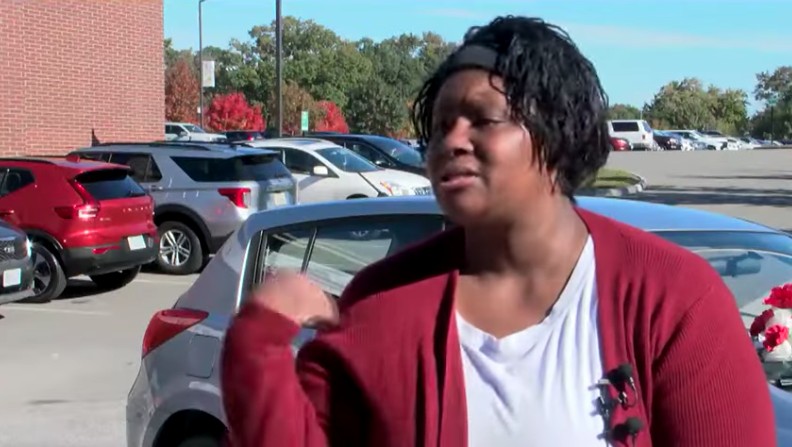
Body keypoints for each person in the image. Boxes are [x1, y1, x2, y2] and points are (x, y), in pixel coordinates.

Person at [221, 16, 775, 447]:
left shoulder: (673, 300)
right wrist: (257, 342)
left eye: (482, 119)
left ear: (557, 132)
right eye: (439, 127)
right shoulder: (380, 306)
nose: (450, 141)